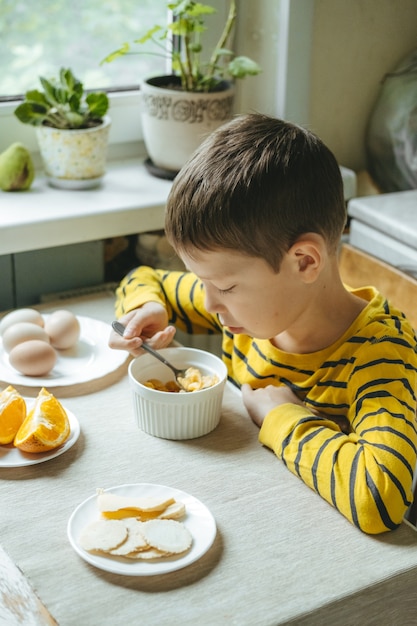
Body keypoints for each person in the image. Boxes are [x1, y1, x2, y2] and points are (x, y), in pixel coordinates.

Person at [109, 113, 417, 534]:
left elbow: (379, 500)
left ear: (304, 262)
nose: (207, 303)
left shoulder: (381, 355)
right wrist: (148, 307)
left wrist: (281, 416)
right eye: (202, 282)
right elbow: (142, 279)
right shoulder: (247, 313)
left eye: (225, 286)